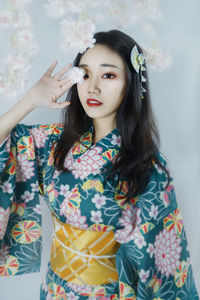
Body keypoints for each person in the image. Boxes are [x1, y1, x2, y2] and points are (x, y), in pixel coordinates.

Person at [0, 30, 199, 299]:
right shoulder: (56, 143)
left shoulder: (147, 167)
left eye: (108, 75)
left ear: (131, 82)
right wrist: (30, 100)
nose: (92, 87)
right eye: (84, 74)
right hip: (54, 289)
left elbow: (161, 264)